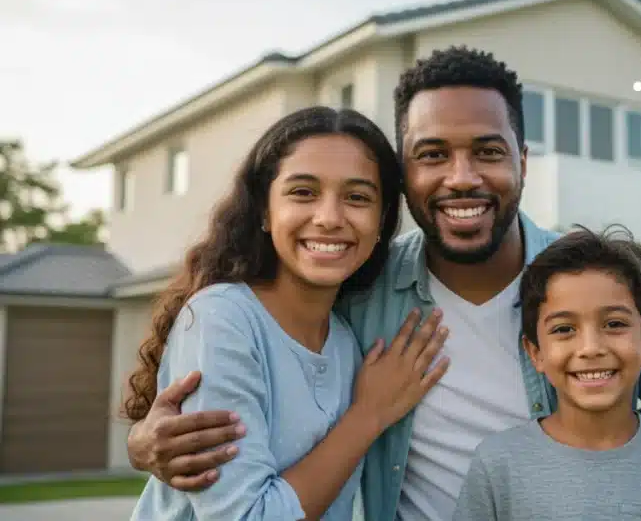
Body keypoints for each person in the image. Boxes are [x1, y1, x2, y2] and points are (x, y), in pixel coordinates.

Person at [122, 46, 641, 521]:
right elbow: (258, 377)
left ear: (524, 161)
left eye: (487, 150)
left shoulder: (598, 288)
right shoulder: (362, 289)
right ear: (404, 176)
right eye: (432, 155)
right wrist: (147, 450)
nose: (461, 177)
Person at [125, 107, 450, 521]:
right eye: (303, 192)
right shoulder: (222, 319)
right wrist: (367, 415)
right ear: (264, 209)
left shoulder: (346, 343)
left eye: (357, 197)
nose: (330, 218)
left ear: (382, 220)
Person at [452, 226, 641, 521]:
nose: (590, 348)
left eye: (614, 324)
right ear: (535, 352)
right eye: (564, 329)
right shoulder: (497, 464)